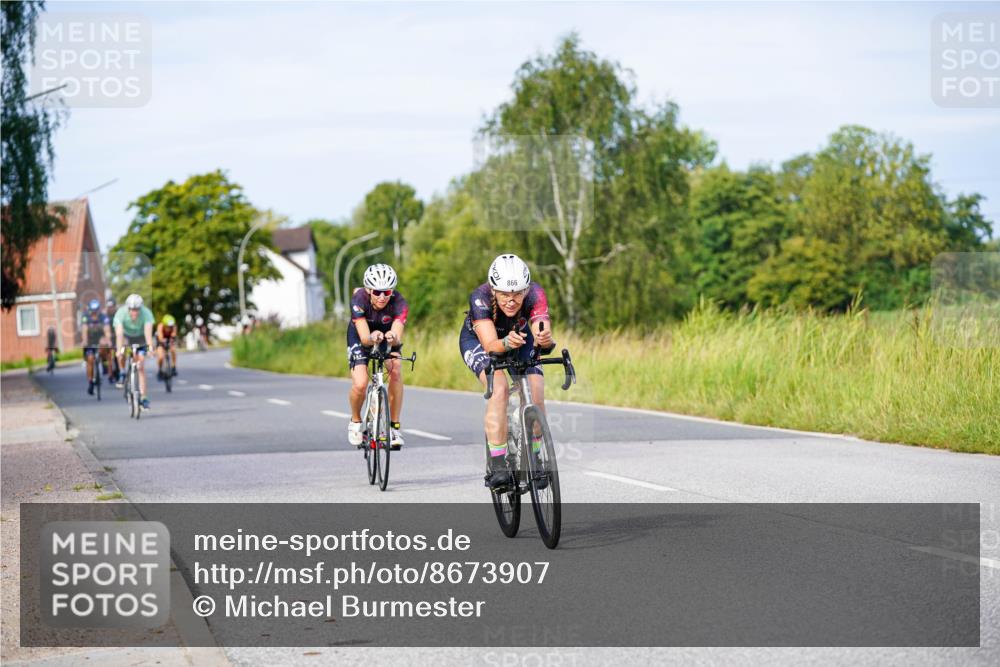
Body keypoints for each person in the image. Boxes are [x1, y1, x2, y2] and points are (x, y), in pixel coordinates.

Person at [459, 254, 555, 488]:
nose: (510, 301)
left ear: (526, 290)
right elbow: (492, 345)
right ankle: (498, 462)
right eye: (503, 294)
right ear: (493, 290)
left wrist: (544, 338)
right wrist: (506, 343)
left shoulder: (535, 293)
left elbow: (541, 327)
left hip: (519, 338)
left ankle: (534, 455)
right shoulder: (479, 297)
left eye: (517, 294)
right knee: (499, 389)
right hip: (481, 341)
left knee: (536, 390)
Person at [346, 263, 409, 450]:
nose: (382, 297)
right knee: (360, 382)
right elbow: (365, 338)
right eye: (377, 292)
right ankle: (356, 421)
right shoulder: (358, 299)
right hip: (360, 336)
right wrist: (371, 338)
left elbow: (397, 332)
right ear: (368, 289)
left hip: (385, 335)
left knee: (395, 370)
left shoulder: (400, 303)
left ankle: (393, 428)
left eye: (387, 292)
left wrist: (392, 337)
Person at [113, 294, 156, 410]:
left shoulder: (147, 314)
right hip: (126, 336)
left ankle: (143, 397)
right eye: (132, 310)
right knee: (121, 351)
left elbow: (148, 333)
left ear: (140, 308)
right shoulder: (120, 314)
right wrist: (119, 350)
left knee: (141, 365)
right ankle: (122, 372)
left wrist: (150, 348)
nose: (134, 313)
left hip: (140, 337)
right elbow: (119, 334)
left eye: (137, 310)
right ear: (128, 308)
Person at [80, 299, 111, 395]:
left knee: (104, 344)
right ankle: (90, 381)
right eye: (92, 311)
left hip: (100, 338)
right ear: (90, 310)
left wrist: (108, 339)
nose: (94, 313)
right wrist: (84, 341)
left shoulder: (103, 317)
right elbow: (84, 330)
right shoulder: (85, 317)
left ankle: (104, 361)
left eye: (96, 311)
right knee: (90, 359)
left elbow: (107, 330)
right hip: (90, 340)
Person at [156, 314, 179, 380]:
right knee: (160, 356)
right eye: (167, 326)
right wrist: (162, 341)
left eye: (170, 327)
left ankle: (173, 367)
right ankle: (160, 370)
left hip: (169, 339)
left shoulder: (174, 326)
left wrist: (172, 339)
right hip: (161, 340)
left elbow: (173, 334)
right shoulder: (160, 326)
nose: (169, 328)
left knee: (173, 350)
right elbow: (160, 336)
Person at [105, 297, 120, 382]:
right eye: (109, 307)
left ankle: (121, 370)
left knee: (119, 353)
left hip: (118, 336)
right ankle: (110, 373)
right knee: (109, 355)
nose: (111, 308)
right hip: (109, 336)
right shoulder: (105, 315)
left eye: (112, 306)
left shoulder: (118, 314)